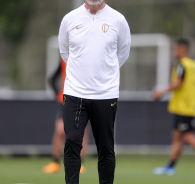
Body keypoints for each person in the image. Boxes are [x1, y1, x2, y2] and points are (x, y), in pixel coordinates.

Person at [59, 0, 131, 183]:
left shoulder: (118, 20)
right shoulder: (69, 19)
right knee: (72, 142)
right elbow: (65, 52)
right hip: (75, 93)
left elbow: (123, 53)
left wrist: (105, 75)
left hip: (105, 95)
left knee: (105, 148)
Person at [153, 38, 195, 176]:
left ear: (182, 49)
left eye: (175, 49)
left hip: (183, 107)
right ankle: (171, 166)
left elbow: (178, 83)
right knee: (177, 137)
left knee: (187, 136)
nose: (174, 51)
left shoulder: (182, 65)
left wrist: (161, 92)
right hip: (190, 107)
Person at [42, 59, 89, 174]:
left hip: (84, 98)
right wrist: (58, 95)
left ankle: (80, 163)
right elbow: (52, 79)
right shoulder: (65, 59)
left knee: (82, 132)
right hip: (66, 100)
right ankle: (55, 163)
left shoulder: (87, 58)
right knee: (60, 131)